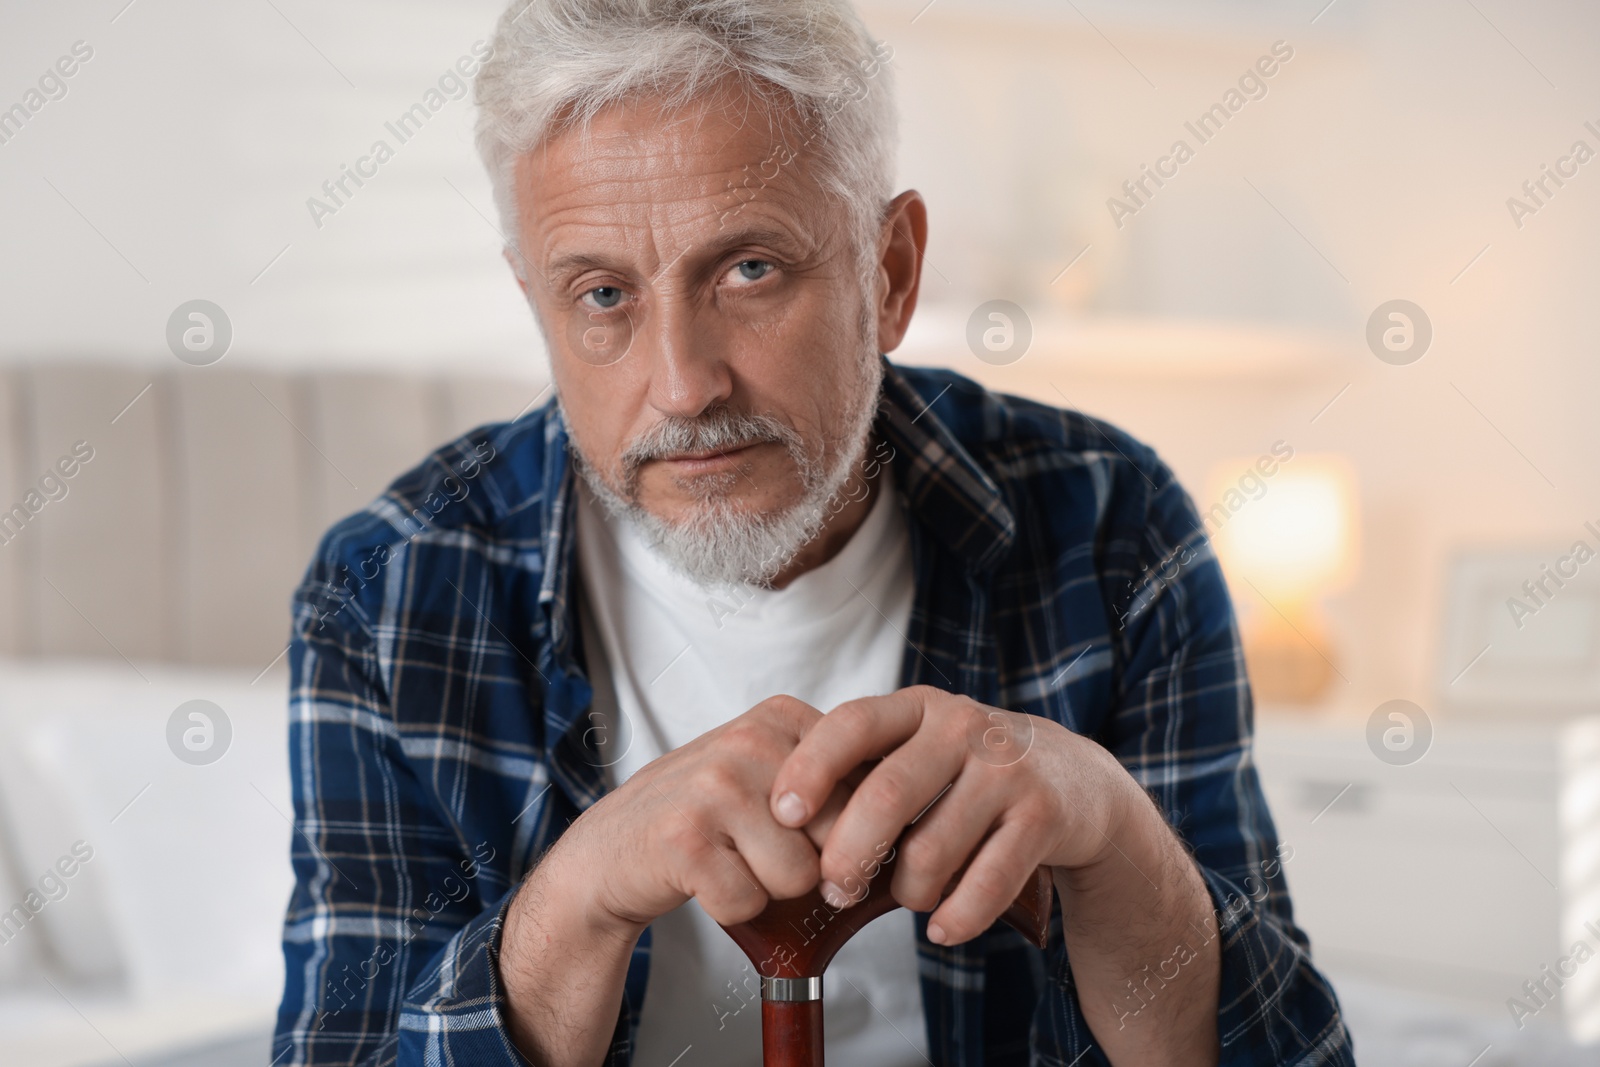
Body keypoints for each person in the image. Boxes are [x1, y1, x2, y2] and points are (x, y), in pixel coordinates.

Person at [272, 1, 1352, 1064]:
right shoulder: (386, 590)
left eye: (748, 270)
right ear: (537, 306)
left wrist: (1114, 841)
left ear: (888, 273)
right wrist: (570, 902)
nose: (684, 386)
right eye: (602, 294)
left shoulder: (1113, 526)